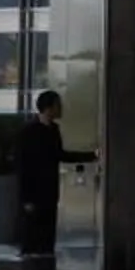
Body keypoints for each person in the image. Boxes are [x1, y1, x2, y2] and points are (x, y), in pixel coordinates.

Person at [11, 91, 91, 257]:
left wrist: (92, 155)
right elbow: (22, 166)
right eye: (58, 105)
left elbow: (60, 155)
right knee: (31, 239)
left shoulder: (54, 129)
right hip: (33, 195)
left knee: (47, 239)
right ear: (48, 108)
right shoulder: (27, 132)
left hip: (50, 192)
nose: (61, 108)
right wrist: (26, 198)